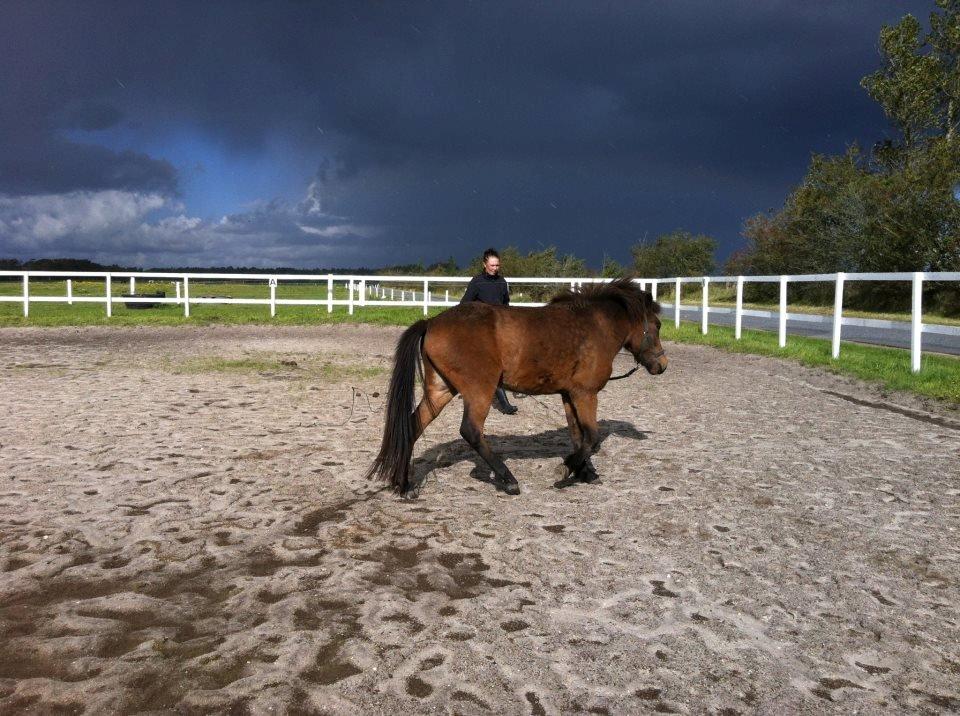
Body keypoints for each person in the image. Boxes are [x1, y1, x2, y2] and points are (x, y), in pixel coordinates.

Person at [460, 248, 518, 414]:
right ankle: (504, 404)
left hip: (499, 328)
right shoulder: (477, 282)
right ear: (484, 264)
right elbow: (465, 304)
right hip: (482, 329)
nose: (495, 268)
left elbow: (506, 305)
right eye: (492, 265)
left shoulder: (502, 282)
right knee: (492, 364)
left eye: (497, 265)